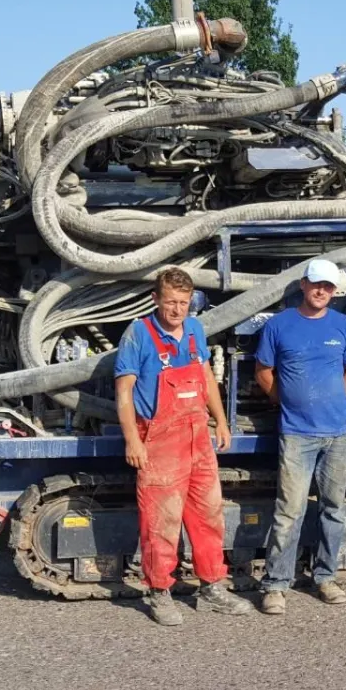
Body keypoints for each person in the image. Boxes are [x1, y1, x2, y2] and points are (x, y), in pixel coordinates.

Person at [114, 266, 252, 626]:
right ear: (155, 299)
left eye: (184, 303)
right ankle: (159, 592)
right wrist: (132, 439)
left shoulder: (194, 329)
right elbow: (124, 390)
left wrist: (220, 420)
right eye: (171, 302)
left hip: (197, 435)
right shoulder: (138, 334)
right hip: (159, 440)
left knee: (208, 515)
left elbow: (205, 376)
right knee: (161, 521)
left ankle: (212, 588)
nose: (177, 310)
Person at [254, 259, 346, 615]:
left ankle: (325, 577)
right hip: (297, 433)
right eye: (317, 284)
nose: (322, 291)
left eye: (329, 286)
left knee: (333, 509)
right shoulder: (280, 325)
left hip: (338, 432)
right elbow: (263, 371)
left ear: (335, 291)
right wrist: (286, 401)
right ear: (303, 284)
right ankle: (275, 584)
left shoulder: (343, 325)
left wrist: (333, 398)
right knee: (290, 511)